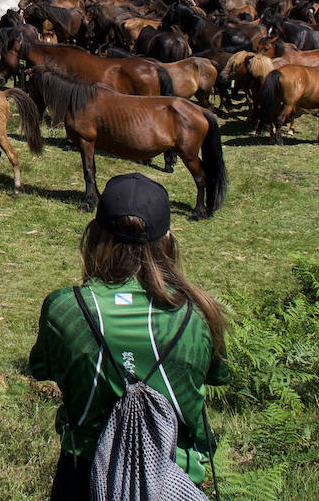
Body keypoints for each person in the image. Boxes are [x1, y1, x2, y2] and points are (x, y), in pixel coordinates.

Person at [29, 173, 230, 500]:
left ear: (94, 235)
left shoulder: (65, 309)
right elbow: (216, 376)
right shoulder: (199, 315)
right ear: (168, 240)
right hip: (173, 478)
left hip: (83, 475)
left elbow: (41, 368)